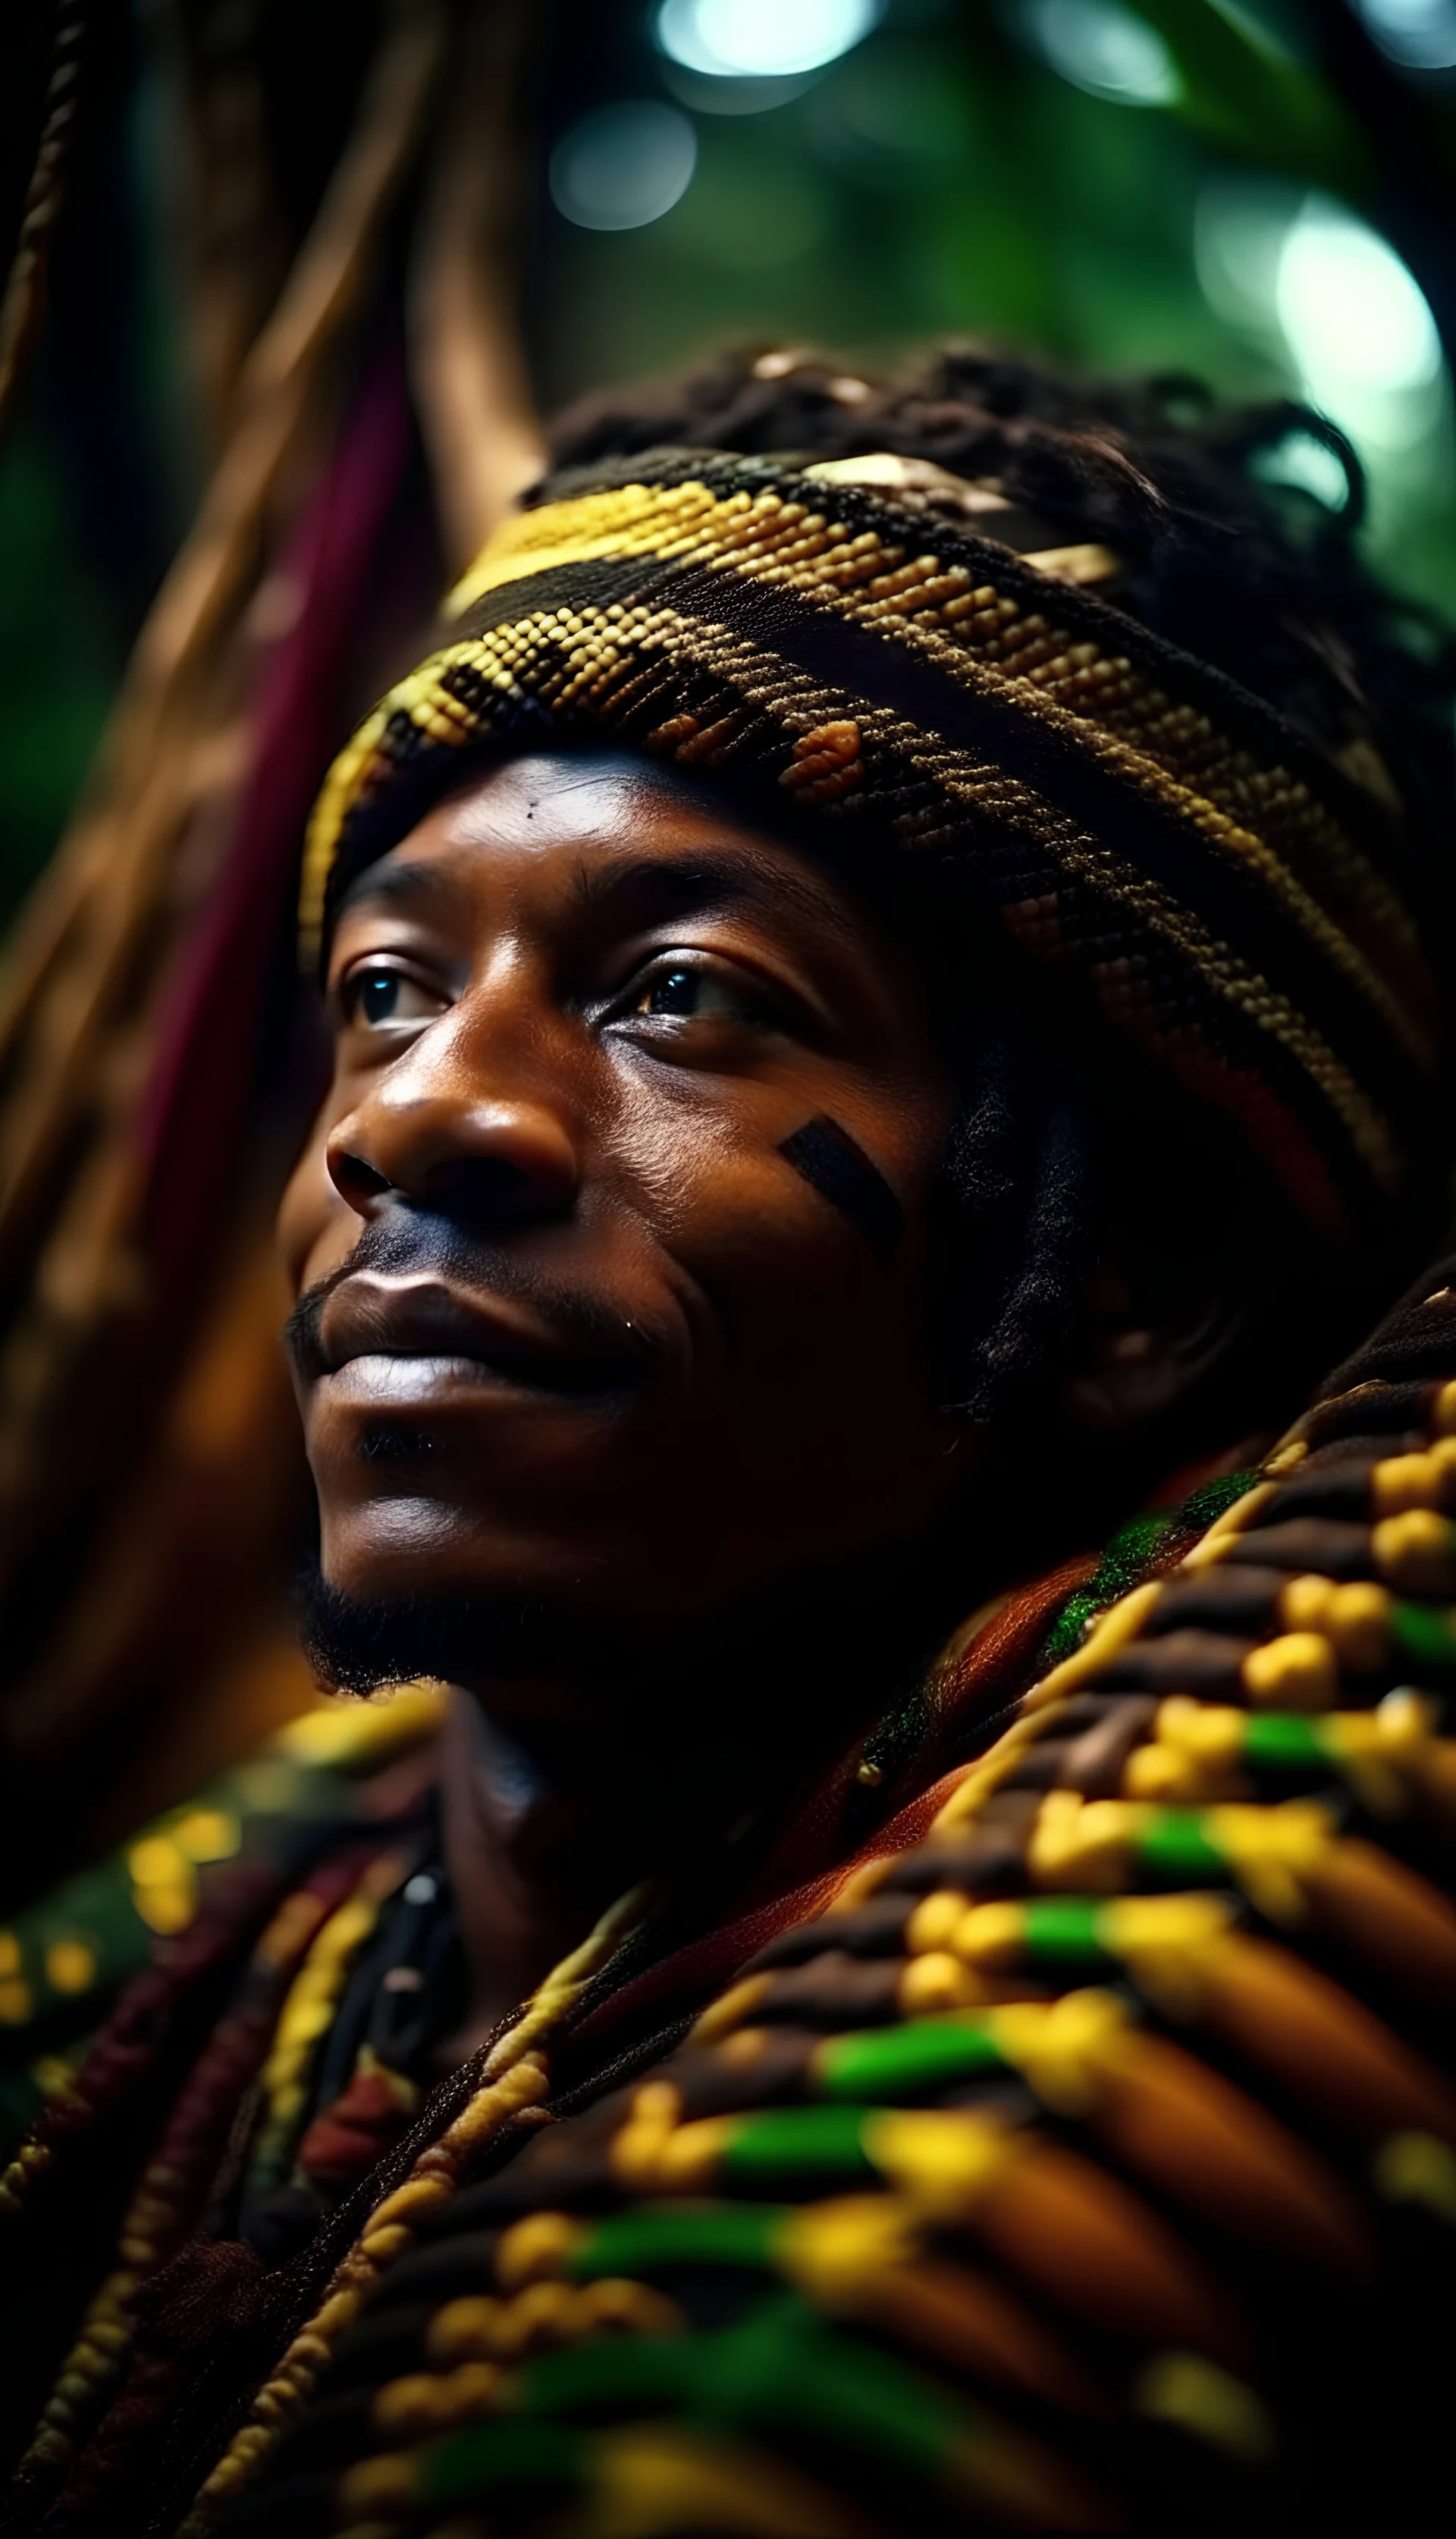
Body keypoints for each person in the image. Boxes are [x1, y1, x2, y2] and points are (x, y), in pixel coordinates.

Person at [5, 344, 1456, 2539]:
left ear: (1139, 1273)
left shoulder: (1199, 2047)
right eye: (386, 988)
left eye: (677, 991)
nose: (413, 1116)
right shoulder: (191, 1956)